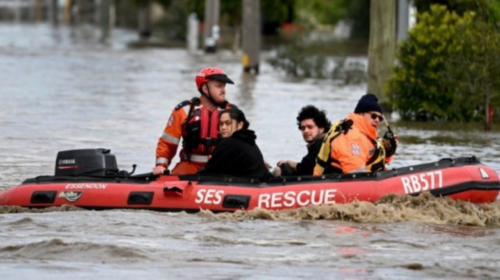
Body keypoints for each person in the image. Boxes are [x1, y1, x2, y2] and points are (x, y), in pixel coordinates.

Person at [153, 67, 237, 175]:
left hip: (222, 166)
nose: (223, 90)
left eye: (224, 86)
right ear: (205, 89)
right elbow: (168, 143)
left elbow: (245, 142)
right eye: (218, 86)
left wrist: (257, 162)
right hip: (190, 166)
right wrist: (161, 166)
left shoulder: (232, 112)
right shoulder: (184, 110)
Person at [313, 93, 398, 175]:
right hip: (333, 184)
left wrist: (388, 150)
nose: (377, 120)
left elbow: (372, 159)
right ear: (360, 114)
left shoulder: (365, 135)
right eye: (373, 116)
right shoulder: (352, 137)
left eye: (380, 118)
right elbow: (356, 174)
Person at [198, 108, 272, 182]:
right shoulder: (249, 141)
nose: (223, 127)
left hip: (249, 187)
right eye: (221, 124)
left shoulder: (228, 144)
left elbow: (209, 173)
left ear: (240, 125)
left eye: (228, 123)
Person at [276, 105, 331, 176]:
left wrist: (289, 162)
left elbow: (305, 168)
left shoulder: (321, 145)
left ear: (321, 128)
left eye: (310, 127)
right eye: (303, 128)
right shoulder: (323, 142)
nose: (306, 131)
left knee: (281, 169)